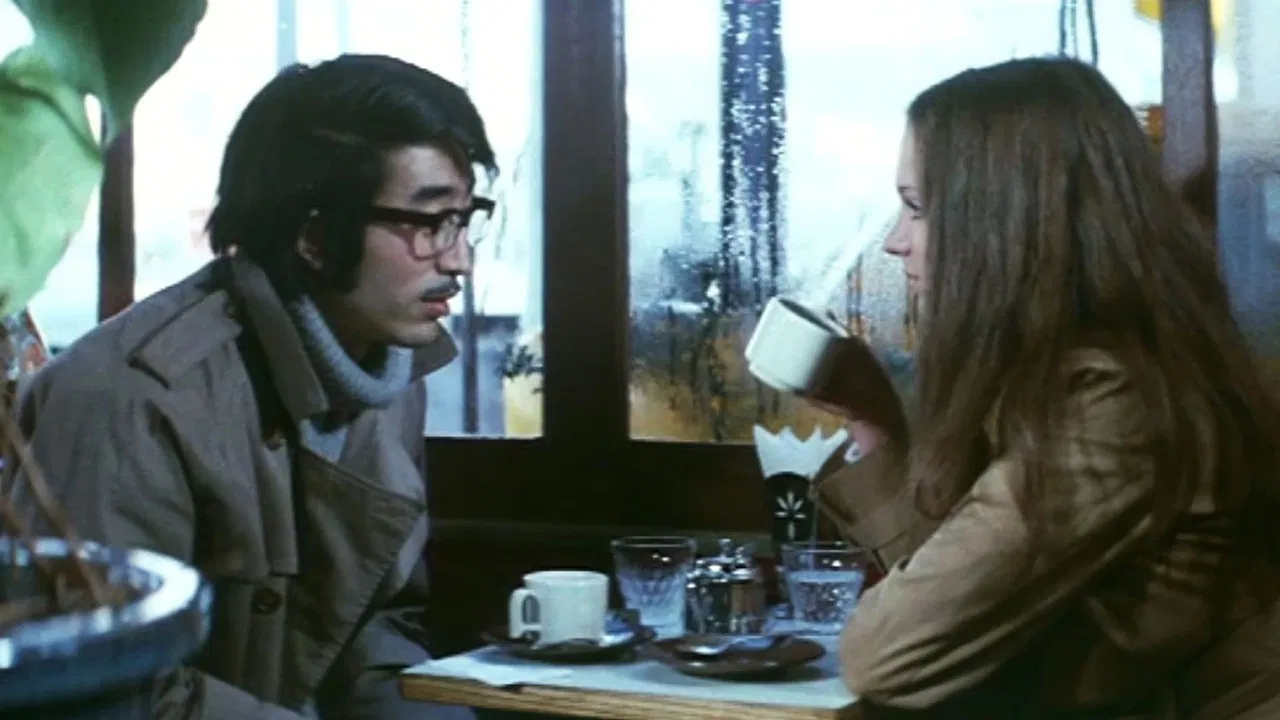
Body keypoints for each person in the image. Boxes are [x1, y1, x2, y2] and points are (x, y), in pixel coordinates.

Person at [12, 54, 495, 719]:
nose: (459, 258)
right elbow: (109, 690)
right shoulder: (128, 396)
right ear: (314, 237)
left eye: (465, 219)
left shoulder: (386, 365)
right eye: (428, 222)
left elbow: (373, 631)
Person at [808, 57, 1280, 718]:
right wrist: (873, 420)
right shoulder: (1075, 373)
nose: (895, 242)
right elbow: (956, 599)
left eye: (917, 208)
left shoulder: (1112, 401)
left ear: (1004, 219)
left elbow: (887, 652)